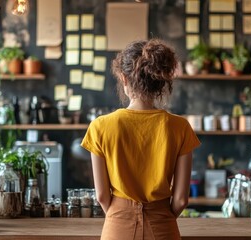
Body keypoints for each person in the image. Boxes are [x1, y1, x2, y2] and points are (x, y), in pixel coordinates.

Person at [81, 39, 201, 240]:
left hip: (117, 227)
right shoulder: (180, 127)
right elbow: (180, 200)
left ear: (124, 79)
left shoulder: (100, 126)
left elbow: (102, 196)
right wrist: (161, 218)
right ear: (161, 81)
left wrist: (121, 215)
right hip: (163, 226)